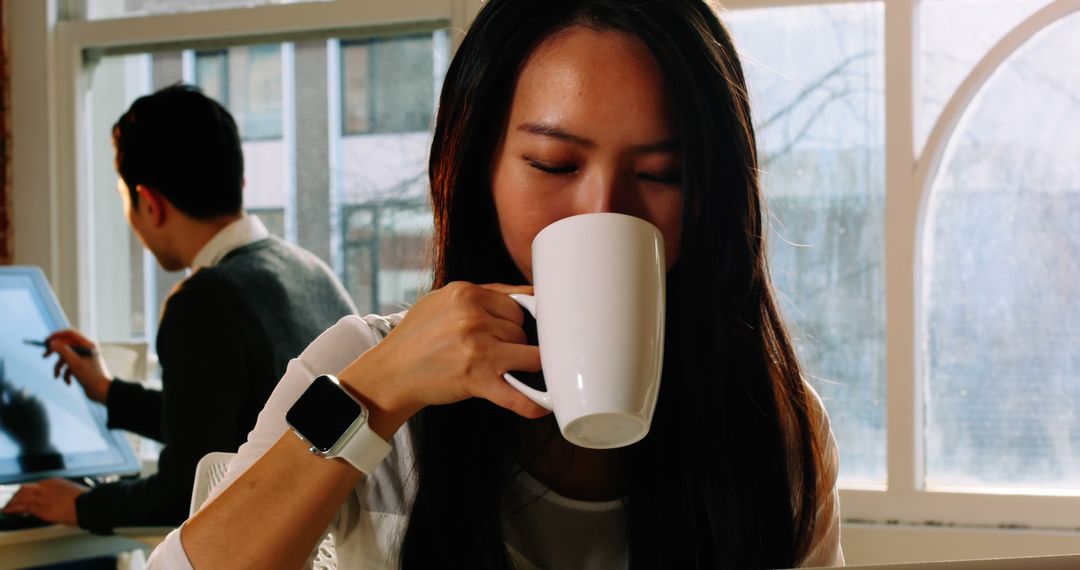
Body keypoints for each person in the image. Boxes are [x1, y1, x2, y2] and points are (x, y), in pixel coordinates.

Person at [148, 0, 844, 567]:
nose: (602, 212)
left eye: (661, 174)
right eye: (552, 163)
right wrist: (379, 392)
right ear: (476, 165)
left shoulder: (771, 421)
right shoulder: (365, 370)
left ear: (710, 196)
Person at [1, 84, 357, 535]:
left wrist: (82, 504)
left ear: (149, 204)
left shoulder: (205, 301)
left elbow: (183, 494)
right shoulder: (310, 271)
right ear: (238, 182)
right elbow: (220, 422)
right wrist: (109, 392)